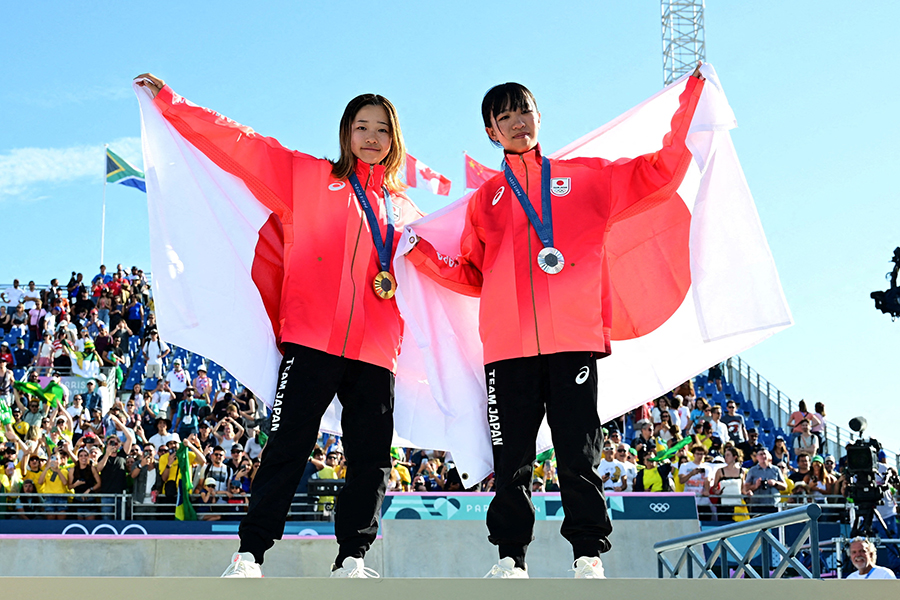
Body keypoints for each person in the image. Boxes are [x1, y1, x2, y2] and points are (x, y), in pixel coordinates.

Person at [405, 69, 704, 579]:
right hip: (507, 350)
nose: (517, 122)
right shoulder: (487, 201)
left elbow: (659, 171)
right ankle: (510, 558)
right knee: (512, 460)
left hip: (573, 342)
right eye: (505, 117)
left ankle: (588, 555)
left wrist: (690, 102)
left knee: (577, 452)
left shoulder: (586, 177)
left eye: (524, 111)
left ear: (540, 116)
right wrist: (422, 255)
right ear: (491, 133)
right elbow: (474, 273)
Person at [136, 73, 423, 579]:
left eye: (382, 128)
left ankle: (352, 558)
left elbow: (444, 264)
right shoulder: (307, 177)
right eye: (362, 126)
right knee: (289, 445)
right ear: (346, 134)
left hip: (377, 351)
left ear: (395, 138)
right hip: (311, 341)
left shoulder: (402, 209)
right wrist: (171, 103)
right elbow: (240, 144)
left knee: (371, 458)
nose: (372, 137)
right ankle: (250, 554)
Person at [742, 449, 786, 515]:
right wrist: (756, 485)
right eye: (761, 454)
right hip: (757, 504)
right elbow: (746, 487)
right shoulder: (752, 470)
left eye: (765, 454)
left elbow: (784, 486)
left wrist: (775, 483)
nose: (763, 456)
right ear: (757, 457)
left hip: (773, 504)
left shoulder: (776, 469)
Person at [711, 446, 744, 521]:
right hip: (724, 505)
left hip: (737, 505)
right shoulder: (720, 471)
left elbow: (742, 489)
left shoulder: (741, 471)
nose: (725, 457)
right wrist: (717, 491)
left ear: (734, 457)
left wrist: (748, 492)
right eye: (725, 455)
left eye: (728, 455)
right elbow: (714, 488)